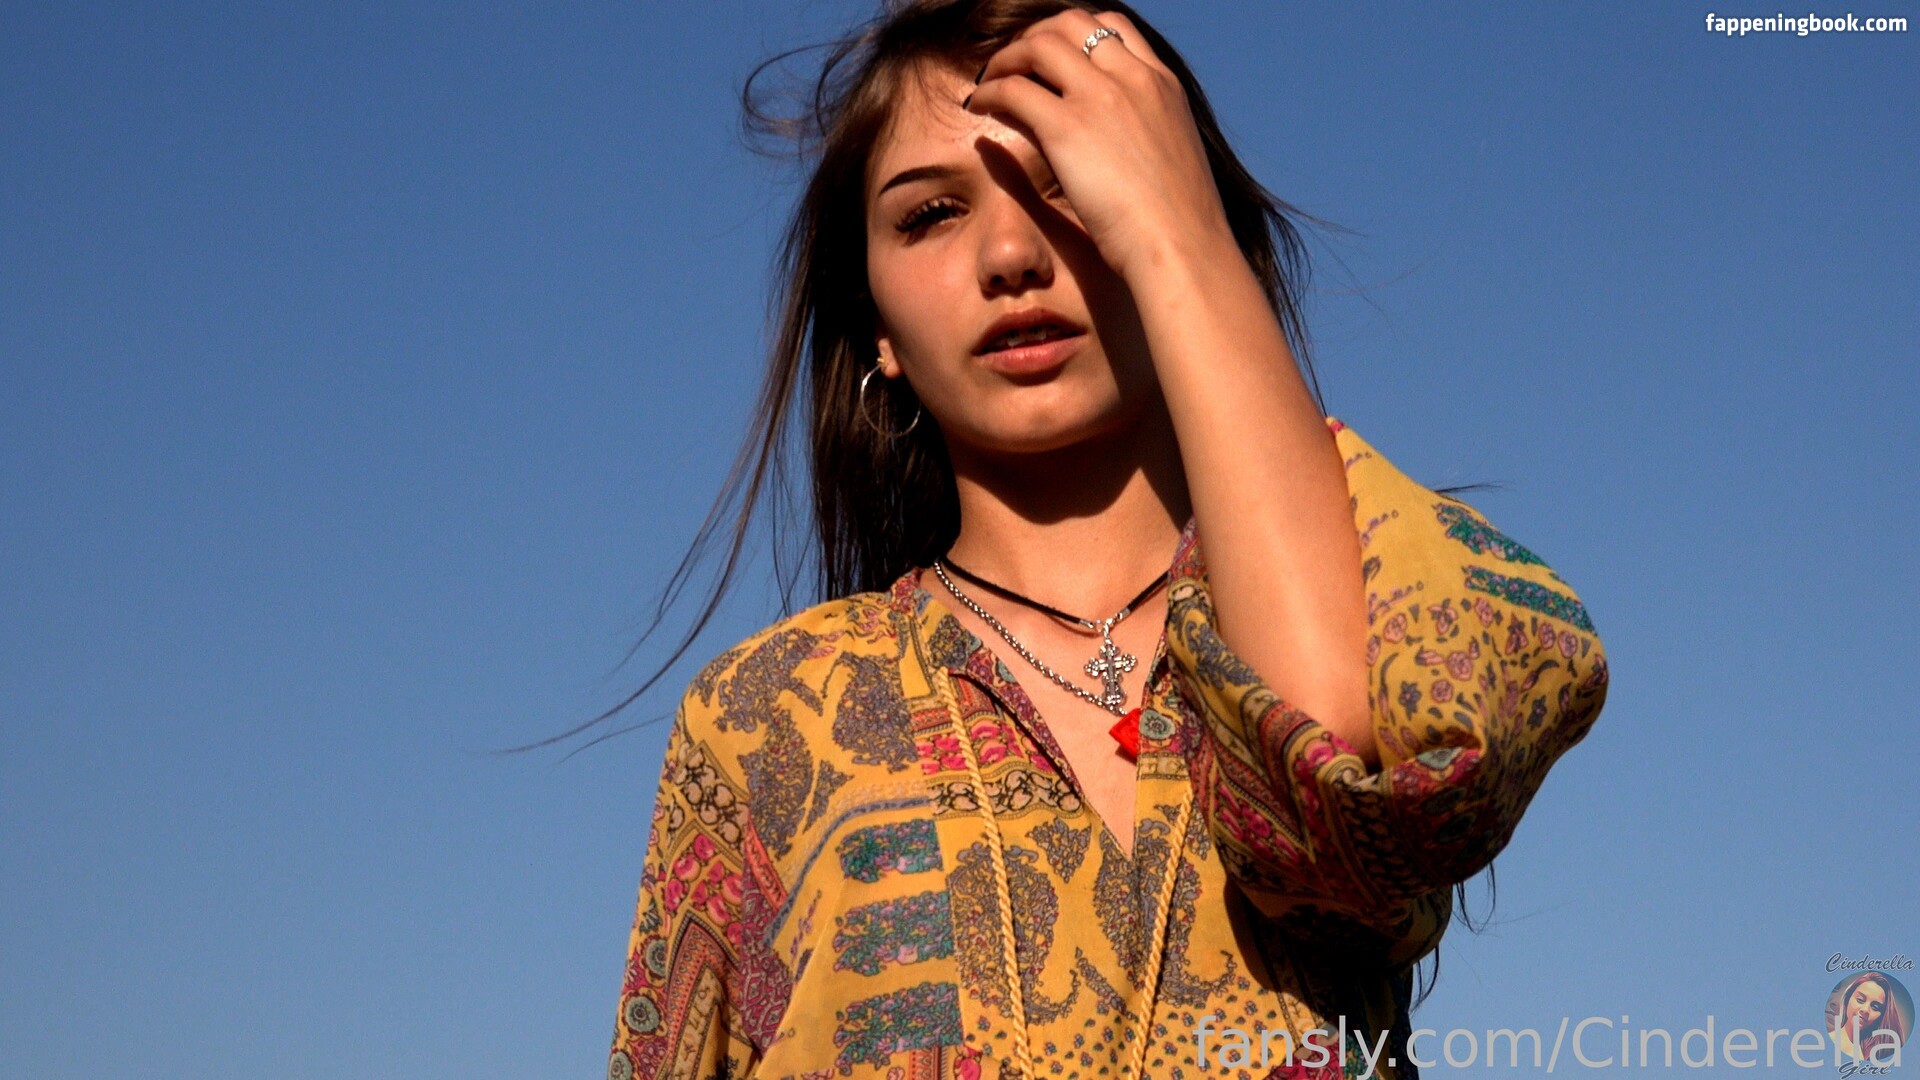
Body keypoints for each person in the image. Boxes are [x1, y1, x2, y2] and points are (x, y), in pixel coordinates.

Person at [606, 2, 1611, 1077]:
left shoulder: (1384, 572)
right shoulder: (763, 717)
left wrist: (1178, 240)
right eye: (930, 214)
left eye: (1069, 186)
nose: (1009, 255)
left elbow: (1336, 775)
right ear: (878, 329)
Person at [1828, 972, 1909, 1064]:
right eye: (1860, 1000)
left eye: (1875, 1007)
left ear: (1881, 1017)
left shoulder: (1877, 1053)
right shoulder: (1826, 1042)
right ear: (1847, 1000)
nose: (1865, 1010)